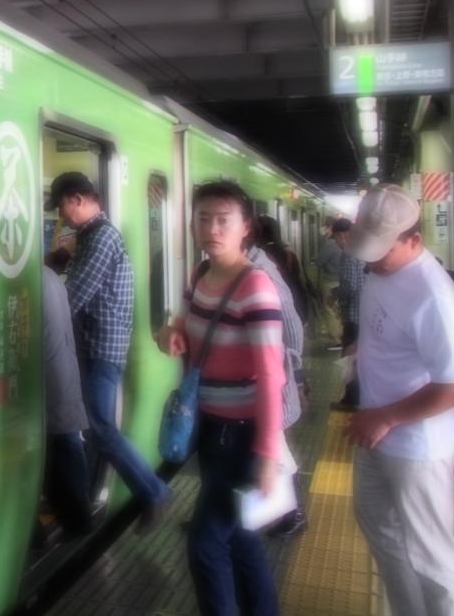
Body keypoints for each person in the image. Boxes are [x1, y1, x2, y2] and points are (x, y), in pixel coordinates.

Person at [343, 184, 454, 616]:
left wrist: (385, 417)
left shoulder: (433, 295)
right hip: (379, 434)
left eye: (381, 250)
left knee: (431, 556)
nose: (370, 259)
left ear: (414, 240)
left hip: (420, 448)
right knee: (380, 530)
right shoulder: (381, 273)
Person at [157, 180, 285, 616]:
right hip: (210, 426)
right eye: (203, 218)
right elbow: (181, 325)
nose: (212, 228)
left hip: (243, 434)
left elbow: (271, 376)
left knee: (206, 545)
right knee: (243, 537)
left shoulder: (256, 287)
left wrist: (267, 455)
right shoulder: (200, 274)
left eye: (224, 220)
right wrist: (169, 333)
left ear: (246, 227)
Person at [47, 171, 172, 528]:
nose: (62, 216)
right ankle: (91, 493)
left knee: (101, 427)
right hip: (95, 346)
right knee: (93, 426)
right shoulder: (90, 237)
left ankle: (154, 492)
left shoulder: (101, 238)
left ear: (77, 199)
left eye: (62, 207)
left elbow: (74, 295)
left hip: (101, 348)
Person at [246, 221, 308, 538]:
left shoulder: (261, 270)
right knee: (271, 444)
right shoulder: (231, 267)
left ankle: (294, 512)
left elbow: (291, 322)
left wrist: (295, 371)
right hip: (248, 379)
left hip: (268, 377)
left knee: (274, 444)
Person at [41, 261, 92, 534]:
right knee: (67, 440)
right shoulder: (49, 277)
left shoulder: (29, 281)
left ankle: (77, 521)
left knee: (63, 446)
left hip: (49, 377)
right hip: (60, 372)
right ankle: (78, 516)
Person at [334, 218, 365, 408]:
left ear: (341, 235)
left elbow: (350, 286)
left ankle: (351, 399)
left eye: (336, 238)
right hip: (365, 314)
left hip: (353, 315)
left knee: (349, 358)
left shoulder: (348, 253)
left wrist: (337, 296)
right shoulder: (364, 250)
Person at [317, 216, 343, 339]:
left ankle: (336, 339)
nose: (324, 228)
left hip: (330, 281)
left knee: (330, 310)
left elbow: (319, 261)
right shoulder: (346, 244)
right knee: (338, 310)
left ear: (331, 228)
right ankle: (341, 335)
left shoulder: (330, 244)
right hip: (341, 281)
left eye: (326, 226)